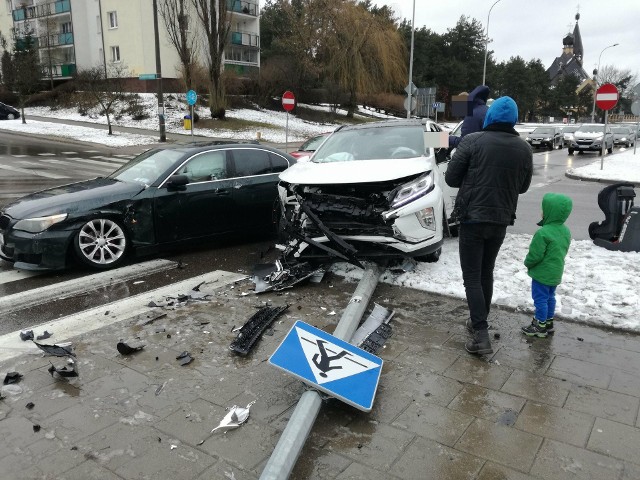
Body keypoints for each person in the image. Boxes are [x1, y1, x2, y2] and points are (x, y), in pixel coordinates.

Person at [445, 96, 533, 355]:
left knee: (472, 276)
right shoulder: (524, 148)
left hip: (472, 218)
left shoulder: (472, 141)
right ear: (514, 119)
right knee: (486, 272)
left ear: (490, 117)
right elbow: (524, 187)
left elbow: (451, 179)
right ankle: (477, 322)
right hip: (501, 220)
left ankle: (480, 334)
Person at [521, 193, 572, 337]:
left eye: (544, 209)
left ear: (550, 211)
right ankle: (549, 323)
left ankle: (540, 326)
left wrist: (527, 263)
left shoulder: (543, 233)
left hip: (542, 274)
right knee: (550, 297)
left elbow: (535, 255)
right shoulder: (565, 230)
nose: (542, 212)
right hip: (556, 271)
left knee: (540, 299)